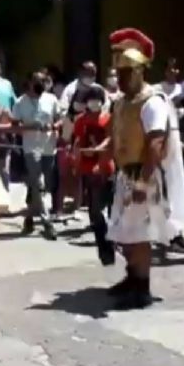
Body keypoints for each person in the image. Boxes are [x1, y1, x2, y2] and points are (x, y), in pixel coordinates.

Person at [105, 28, 184, 309]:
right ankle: (131, 278)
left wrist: (142, 183)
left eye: (127, 73)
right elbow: (116, 135)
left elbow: (155, 144)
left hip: (143, 174)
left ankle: (142, 289)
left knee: (140, 234)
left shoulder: (152, 102)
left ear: (140, 71)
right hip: (124, 174)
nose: (121, 78)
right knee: (124, 233)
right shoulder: (121, 103)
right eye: (119, 73)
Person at [12, 71, 61, 240]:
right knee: (38, 183)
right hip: (31, 148)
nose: (40, 84)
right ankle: (47, 223)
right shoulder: (21, 102)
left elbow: (60, 119)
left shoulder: (51, 99)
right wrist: (30, 126)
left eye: (43, 81)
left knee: (42, 185)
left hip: (49, 146)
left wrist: (55, 125)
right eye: (37, 81)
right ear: (31, 83)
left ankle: (29, 215)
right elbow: (15, 125)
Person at [73, 84, 116, 264]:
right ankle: (105, 248)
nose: (94, 103)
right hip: (88, 169)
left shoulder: (107, 119)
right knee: (95, 212)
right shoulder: (80, 121)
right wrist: (77, 158)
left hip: (105, 167)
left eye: (97, 99)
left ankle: (111, 245)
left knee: (105, 210)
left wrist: (98, 151)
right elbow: (77, 142)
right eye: (91, 99)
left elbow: (110, 139)